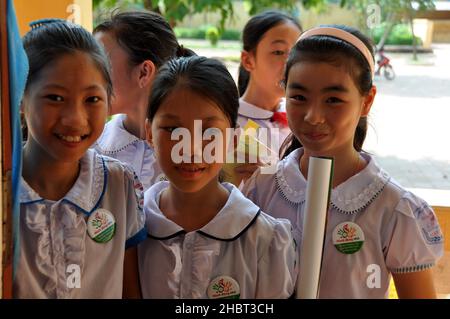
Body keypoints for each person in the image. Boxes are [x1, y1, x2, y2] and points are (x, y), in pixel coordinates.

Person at [242, 25, 444, 298]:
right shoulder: (260, 191)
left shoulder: (394, 209)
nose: (313, 116)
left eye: (333, 99)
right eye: (299, 97)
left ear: (367, 101)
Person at [138, 56, 297, 298]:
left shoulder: (264, 240)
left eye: (209, 131)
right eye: (173, 130)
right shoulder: (133, 228)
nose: (191, 148)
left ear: (233, 139)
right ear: (149, 132)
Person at [15, 19, 146, 298]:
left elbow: (129, 289)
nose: (75, 119)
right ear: (22, 100)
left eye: (92, 100)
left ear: (109, 99)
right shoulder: (6, 190)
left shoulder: (119, 184)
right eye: (55, 97)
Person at [93, 10, 195, 190]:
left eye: (100, 64)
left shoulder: (196, 151)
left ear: (144, 72)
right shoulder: (91, 146)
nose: (90, 75)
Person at [228, 10, 302, 185]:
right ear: (248, 60)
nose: (289, 63)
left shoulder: (300, 121)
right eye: (278, 52)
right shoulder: (229, 123)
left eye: (296, 53)